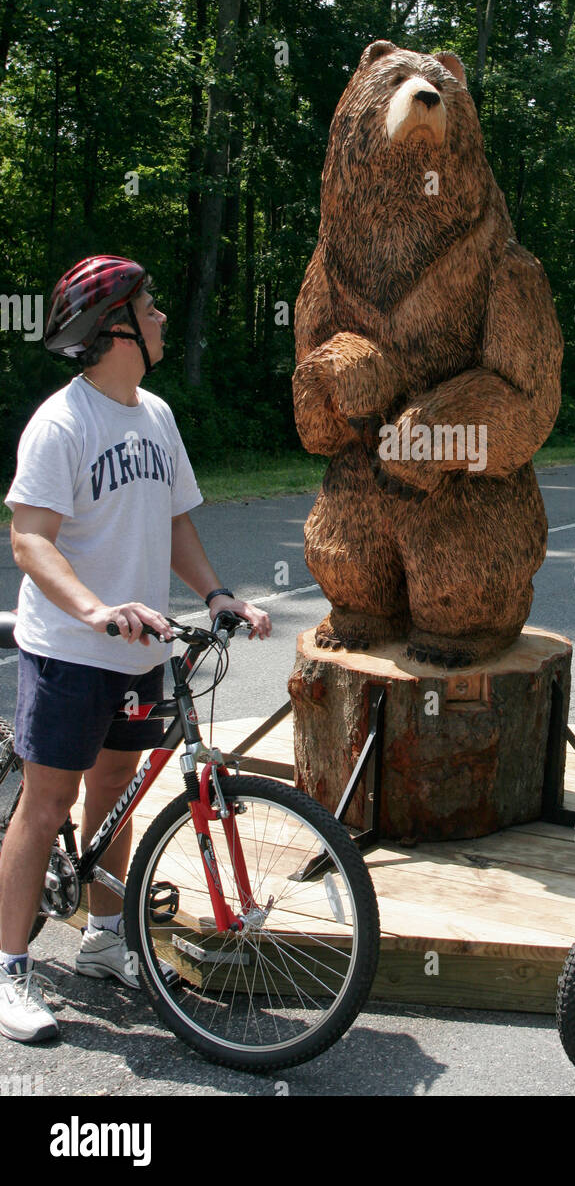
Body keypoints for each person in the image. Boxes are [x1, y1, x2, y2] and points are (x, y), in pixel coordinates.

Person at [0, 255, 271, 1044]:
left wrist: (216, 595)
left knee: (115, 791)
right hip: (71, 651)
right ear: (114, 327)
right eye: (147, 308)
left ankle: (103, 940)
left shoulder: (154, 415)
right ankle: (11, 968)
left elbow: (175, 521)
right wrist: (94, 609)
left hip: (138, 651)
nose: (158, 318)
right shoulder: (62, 421)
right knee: (47, 806)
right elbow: (29, 540)